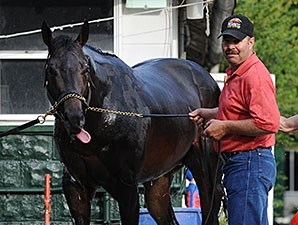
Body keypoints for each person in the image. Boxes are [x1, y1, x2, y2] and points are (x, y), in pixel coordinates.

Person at [189, 14, 280, 225]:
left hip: (249, 162)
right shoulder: (236, 73)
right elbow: (240, 111)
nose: (230, 47)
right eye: (226, 41)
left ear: (251, 42)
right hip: (243, 163)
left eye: (236, 41)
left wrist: (225, 127)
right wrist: (210, 113)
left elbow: (269, 123)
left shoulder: (254, 76)